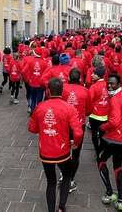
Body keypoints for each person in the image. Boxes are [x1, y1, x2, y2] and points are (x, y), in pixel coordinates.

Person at [28, 78, 83, 212]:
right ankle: (61, 207)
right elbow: (78, 132)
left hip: (45, 151)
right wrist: (74, 143)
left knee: (51, 181)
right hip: (62, 151)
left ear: (48, 91)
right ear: (62, 91)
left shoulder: (40, 106)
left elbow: (31, 128)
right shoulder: (69, 108)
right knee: (67, 175)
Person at [97, 73, 122, 211]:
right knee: (117, 166)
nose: (109, 85)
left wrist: (102, 127)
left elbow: (114, 121)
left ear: (119, 84)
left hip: (113, 139)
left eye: (112, 83)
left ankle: (110, 193)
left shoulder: (115, 99)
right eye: (108, 83)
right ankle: (121, 199)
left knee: (100, 160)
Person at [61, 68, 93, 192]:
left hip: (63, 125)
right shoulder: (85, 91)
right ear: (80, 79)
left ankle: (63, 174)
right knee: (76, 154)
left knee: (63, 151)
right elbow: (89, 111)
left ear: (68, 77)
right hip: (78, 126)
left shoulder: (62, 88)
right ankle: (70, 179)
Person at [88, 66, 109, 154]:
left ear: (99, 75)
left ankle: (97, 150)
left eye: (94, 74)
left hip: (94, 115)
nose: (92, 75)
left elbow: (89, 100)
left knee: (94, 134)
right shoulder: (108, 85)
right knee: (103, 135)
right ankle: (101, 149)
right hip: (105, 115)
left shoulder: (93, 87)